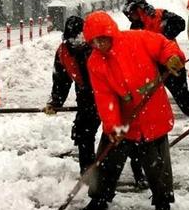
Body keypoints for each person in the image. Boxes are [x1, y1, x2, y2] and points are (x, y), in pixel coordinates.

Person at [78, 11, 184, 210]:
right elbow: (105, 96)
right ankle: (99, 199)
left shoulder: (138, 39)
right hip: (124, 120)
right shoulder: (95, 62)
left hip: (153, 112)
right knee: (107, 160)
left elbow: (165, 45)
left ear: (111, 33)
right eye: (94, 41)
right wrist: (113, 125)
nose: (99, 45)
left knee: (157, 164)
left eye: (103, 39)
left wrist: (172, 57)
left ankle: (162, 202)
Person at [43, 16, 147, 187]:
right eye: (72, 39)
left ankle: (139, 171)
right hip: (85, 95)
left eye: (80, 39)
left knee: (126, 133)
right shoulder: (63, 52)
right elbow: (61, 80)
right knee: (83, 134)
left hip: (113, 93)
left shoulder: (98, 46)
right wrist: (56, 101)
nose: (77, 43)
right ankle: (88, 174)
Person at [122, 0, 189, 149]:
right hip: (152, 69)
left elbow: (180, 22)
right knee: (148, 103)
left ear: (139, 8)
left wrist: (163, 37)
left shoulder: (159, 15)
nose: (130, 17)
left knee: (185, 102)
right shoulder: (135, 28)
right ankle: (151, 138)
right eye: (128, 15)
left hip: (172, 65)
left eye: (131, 13)